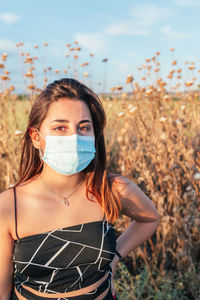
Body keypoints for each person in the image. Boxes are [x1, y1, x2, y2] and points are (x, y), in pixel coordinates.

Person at [0, 78, 159, 300]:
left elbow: (149, 218)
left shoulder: (111, 189)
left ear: (95, 135)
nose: (74, 138)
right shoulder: (9, 206)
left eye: (84, 127)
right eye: (60, 127)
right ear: (36, 138)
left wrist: (114, 258)